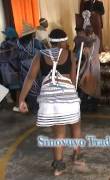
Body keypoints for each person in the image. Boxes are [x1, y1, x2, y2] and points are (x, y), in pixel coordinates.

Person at [19, 29, 86, 176]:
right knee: (75, 126)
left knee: (58, 132)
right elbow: (74, 81)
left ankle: (58, 167)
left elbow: (30, 77)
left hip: (49, 99)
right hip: (67, 96)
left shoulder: (40, 55)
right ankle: (76, 157)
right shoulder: (71, 55)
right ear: (64, 41)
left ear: (50, 42)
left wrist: (21, 99)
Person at [16, 23, 44, 113]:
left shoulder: (18, 43)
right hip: (35, 65)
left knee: (27, 86)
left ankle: (32, 107)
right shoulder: (35, 42)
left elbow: (17, 56)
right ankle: (39, 108)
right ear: (31, 33)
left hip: (23, 67)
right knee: (37, 86)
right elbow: (43, 52)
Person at [0, 27, 19, 108]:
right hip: (14, 66)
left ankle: (9, 98)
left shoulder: (3, 44)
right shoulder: (17, 43)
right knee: (18, 85)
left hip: (4, 67)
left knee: (6, 83)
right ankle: (18, 102)